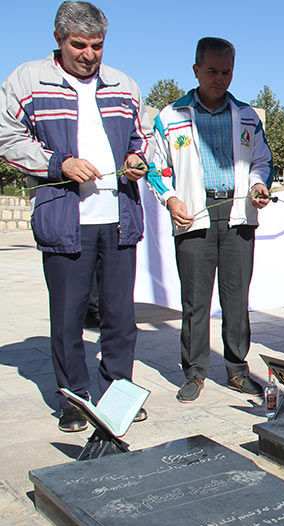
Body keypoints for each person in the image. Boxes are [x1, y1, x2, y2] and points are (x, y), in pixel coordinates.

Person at [0, 2, 153, 432]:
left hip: (119, 217)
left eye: (97, 46)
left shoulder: (123, 84)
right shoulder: (28, 80)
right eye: (79, 45)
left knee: (121, 317)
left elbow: (144, 137)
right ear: (58, 39)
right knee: (68, 318)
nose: (89, 54)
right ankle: (75, 398)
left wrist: (137, 158)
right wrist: (57, 163)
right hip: (65, 219)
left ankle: (119, 390)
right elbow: (5, 133)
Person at [148, 37, 273, 403]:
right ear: (196, 70)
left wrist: (257, 187)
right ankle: (195, 372)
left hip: (237, 219)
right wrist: (170, 199)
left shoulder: (248, 116)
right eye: (212, 71)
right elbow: (156, 167)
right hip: (194, 218)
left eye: (227, 72)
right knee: (196, 301)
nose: (220, 79)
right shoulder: (170, 117)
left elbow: (261, 162)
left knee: (236, 299)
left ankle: (237, 370)